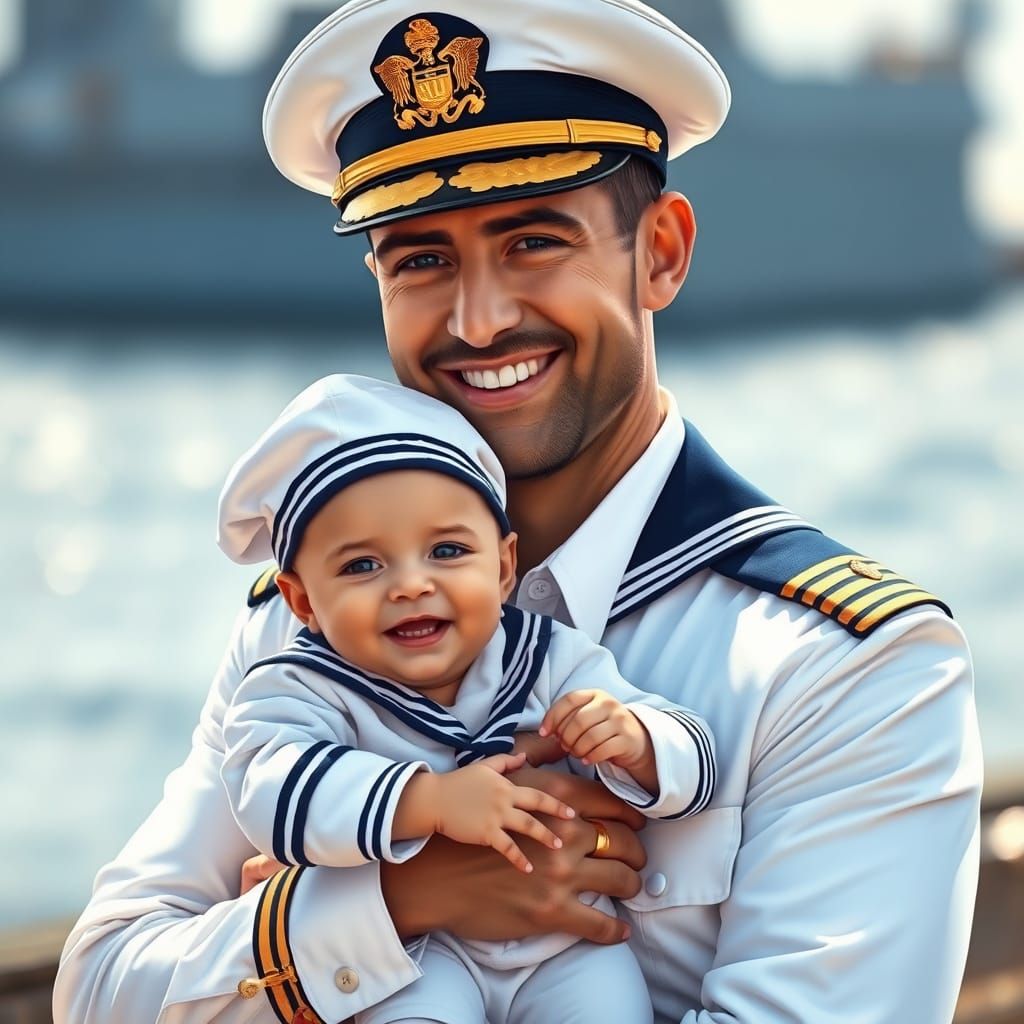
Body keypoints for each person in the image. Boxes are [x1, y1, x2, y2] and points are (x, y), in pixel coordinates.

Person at [54, 2, 983, 1023]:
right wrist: (406, 894)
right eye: (420, 259)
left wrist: (294, 917)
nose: (478, 319)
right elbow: (100, 986)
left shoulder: (844, 668)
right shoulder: (299, 618)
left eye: (534, 238)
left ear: (661, 253)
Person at [216, 372, 718, 1024]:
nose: (410, 585)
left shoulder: (546, 654)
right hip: (414, 952)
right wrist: (427, 800)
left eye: (447, 550)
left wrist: (641, 741)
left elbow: (697, 750)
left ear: (504, 566)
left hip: (565, 946)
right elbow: (271, 786)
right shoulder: (299, 685)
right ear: (302, 600)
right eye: (363, 565)